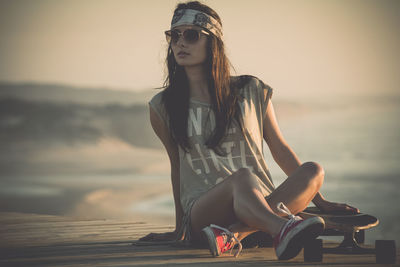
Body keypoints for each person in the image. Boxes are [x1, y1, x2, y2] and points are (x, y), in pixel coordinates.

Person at [141, 1, 359, 260]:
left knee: (313, 170)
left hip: (260, 205)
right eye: (174, 35)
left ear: (213, 43)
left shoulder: (250, 91)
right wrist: (180, 230)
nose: (180, 43)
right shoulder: (164, 106)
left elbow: (279, 148)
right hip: (205, 212)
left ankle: (235, 234)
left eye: (191, 35)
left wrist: (319, 200)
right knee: (243, 178)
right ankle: (282, 228)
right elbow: (176, 167)